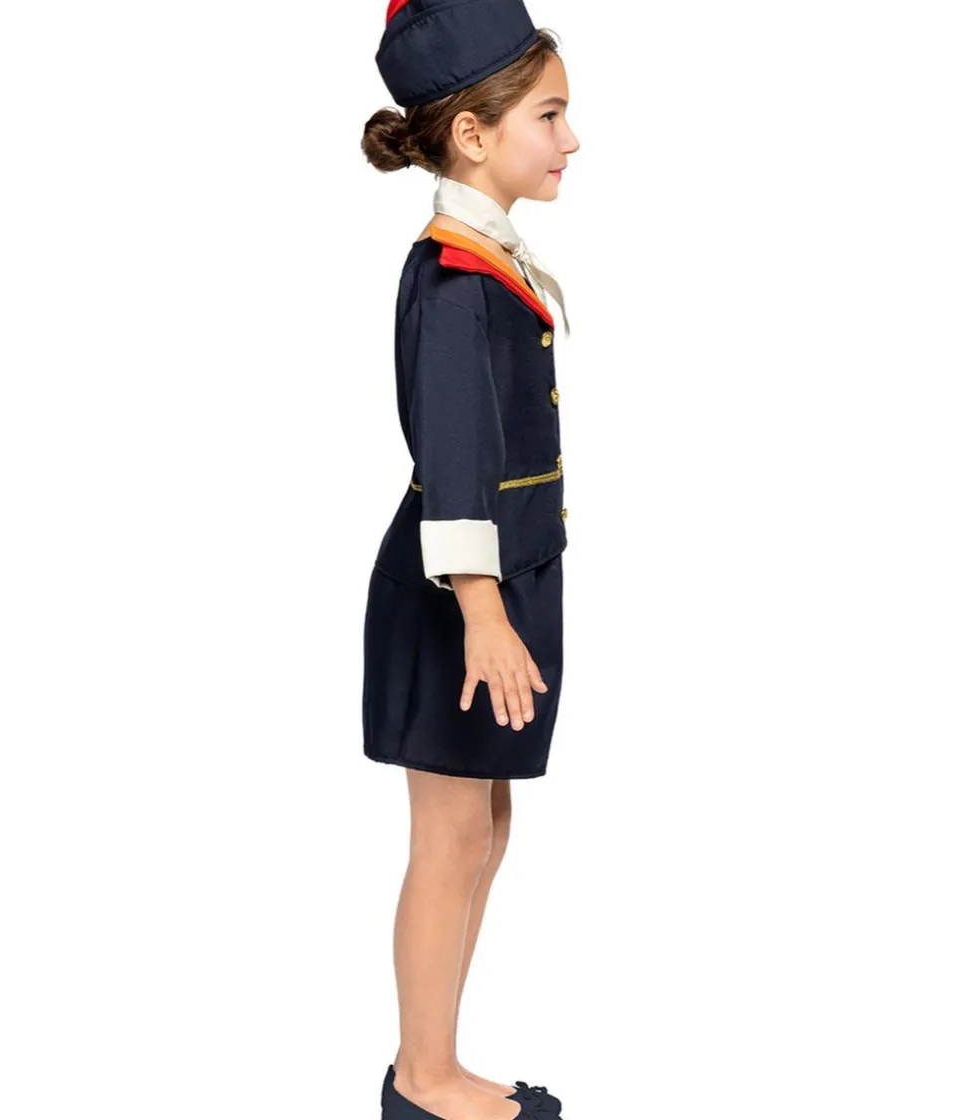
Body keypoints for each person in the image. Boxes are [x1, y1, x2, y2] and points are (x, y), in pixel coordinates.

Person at [360, 2, 580, 1118]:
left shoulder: (487, 260)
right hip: (462, 601)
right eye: (550, 115)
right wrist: (485, 615)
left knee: (484, 825)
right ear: (473, 135)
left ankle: (437, 1059)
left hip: (502, 586)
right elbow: (454, 459)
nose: (572, 139)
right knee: (449, 835)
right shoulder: (455, 281)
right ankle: (423, 1076)